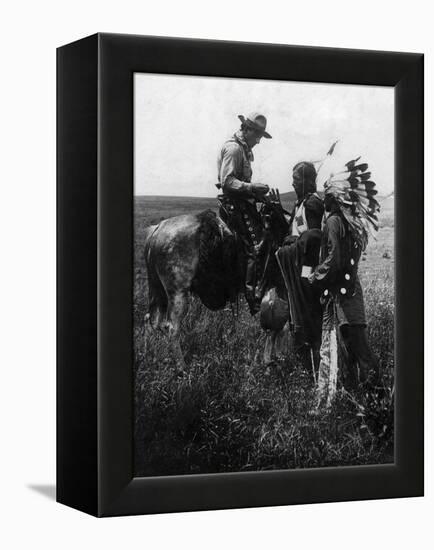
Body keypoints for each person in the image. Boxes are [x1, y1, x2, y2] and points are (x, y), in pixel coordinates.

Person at [308, 159, 380, 408]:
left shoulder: (333, 222)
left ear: (335, 199)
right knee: (352, 345)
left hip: (341, 295)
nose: (323, 199)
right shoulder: (349, 223)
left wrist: (315, 275)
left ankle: (376, 398)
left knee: (356, 346)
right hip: (350, 291)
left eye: (326, 195)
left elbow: (334, 260)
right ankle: (362, 398)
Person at [217, 112, 272, 314]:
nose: (258, 140)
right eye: (256, 135)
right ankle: (253, 297)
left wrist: (257, 194)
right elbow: (227, 181)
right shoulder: (234, 149)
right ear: (246, 130)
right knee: (256, 246)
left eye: (260, 136)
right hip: (234, 206)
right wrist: (252, 187)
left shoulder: (243, 148)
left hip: (241, 203)